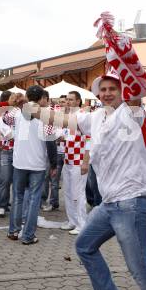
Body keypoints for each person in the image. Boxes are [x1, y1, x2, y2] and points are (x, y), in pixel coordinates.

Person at [25, 70, 146, 290]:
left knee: (139, 268)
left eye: (113, 88)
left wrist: (122, 51)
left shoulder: (133, 113)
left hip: (133, 201)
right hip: (109, 204)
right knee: (84, 245)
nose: (107, 93)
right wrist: (32, 108)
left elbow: (137, 88)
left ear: (123, 91)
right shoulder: (96, 118)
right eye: (103, 89)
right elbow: (62, 119)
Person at [4, 85, 53, 245]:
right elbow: (51, 141)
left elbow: (2, 121)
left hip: (19, 161)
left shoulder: (17, 113)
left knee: (17, 197)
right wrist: (53, 164)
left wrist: (10, 134)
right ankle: (28, 235)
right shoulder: (45, 115)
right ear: (41, 99)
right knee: (33, 199)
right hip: (37, 163)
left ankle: (13, 231)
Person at [60, 91, 90, 235]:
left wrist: (86, 161)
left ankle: (82, 223)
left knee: (78, 193)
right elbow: (69, 136)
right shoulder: (69, 117)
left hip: (79, 160)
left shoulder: (83, 115)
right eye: (67, 99)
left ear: (78, 101)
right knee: (68, 191)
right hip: (68, 159)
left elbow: (90, 138)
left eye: (71, 100)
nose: (69, 102)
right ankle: (72, 221)